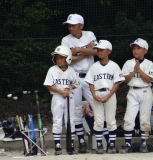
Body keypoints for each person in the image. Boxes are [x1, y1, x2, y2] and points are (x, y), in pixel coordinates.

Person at [61, 13, 97, 153]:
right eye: (69, 25)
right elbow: (67, 60)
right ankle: (81, 141)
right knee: (76, 110)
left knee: (97, 105)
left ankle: (103, 140)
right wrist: (87, 50)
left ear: (81, 25)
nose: (70, 28)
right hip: (74, 77)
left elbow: (97, 52)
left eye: (73, 25)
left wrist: (78, 50)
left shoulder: (89, 34)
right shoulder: (66, 40)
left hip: (90, 76)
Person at [84, 40, 125, 154]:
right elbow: (90, 82)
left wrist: (109, 95)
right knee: (98, 121)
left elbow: (117, 83)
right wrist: (93, 95)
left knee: (111, 120)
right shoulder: (94, 66)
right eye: (98, 50)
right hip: (97, 93)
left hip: (109, 93)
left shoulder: (114, 66)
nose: (99, 52)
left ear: (109, 51)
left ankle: (111, 145)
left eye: (102, 50)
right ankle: (99, 145)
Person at [43, 45, 79, 155]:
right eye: (57, 58)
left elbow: (75, 84)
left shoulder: (71, 70)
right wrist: (61, 91)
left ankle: (70, 144)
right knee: (57, 120)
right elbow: (49, 85)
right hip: (58, 97)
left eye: (61, 58)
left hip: (69, 97)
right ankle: (57, 145)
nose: (59, 60)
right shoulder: (52, 70)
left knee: (70, 120)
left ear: (67, 58)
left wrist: (69, 88)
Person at [121, 38, 153, 153]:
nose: (135, 51)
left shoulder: (149, 63)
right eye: (134, 48)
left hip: (145, 90)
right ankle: (128, 144)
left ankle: (143, 144)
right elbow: (124, 80)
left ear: (145, 50)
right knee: (129, 118)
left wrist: (139, 70)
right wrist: (134, 71)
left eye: (138, 48)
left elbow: (149, 79)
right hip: (132, 90)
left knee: (144, 118)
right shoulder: (128, 63)